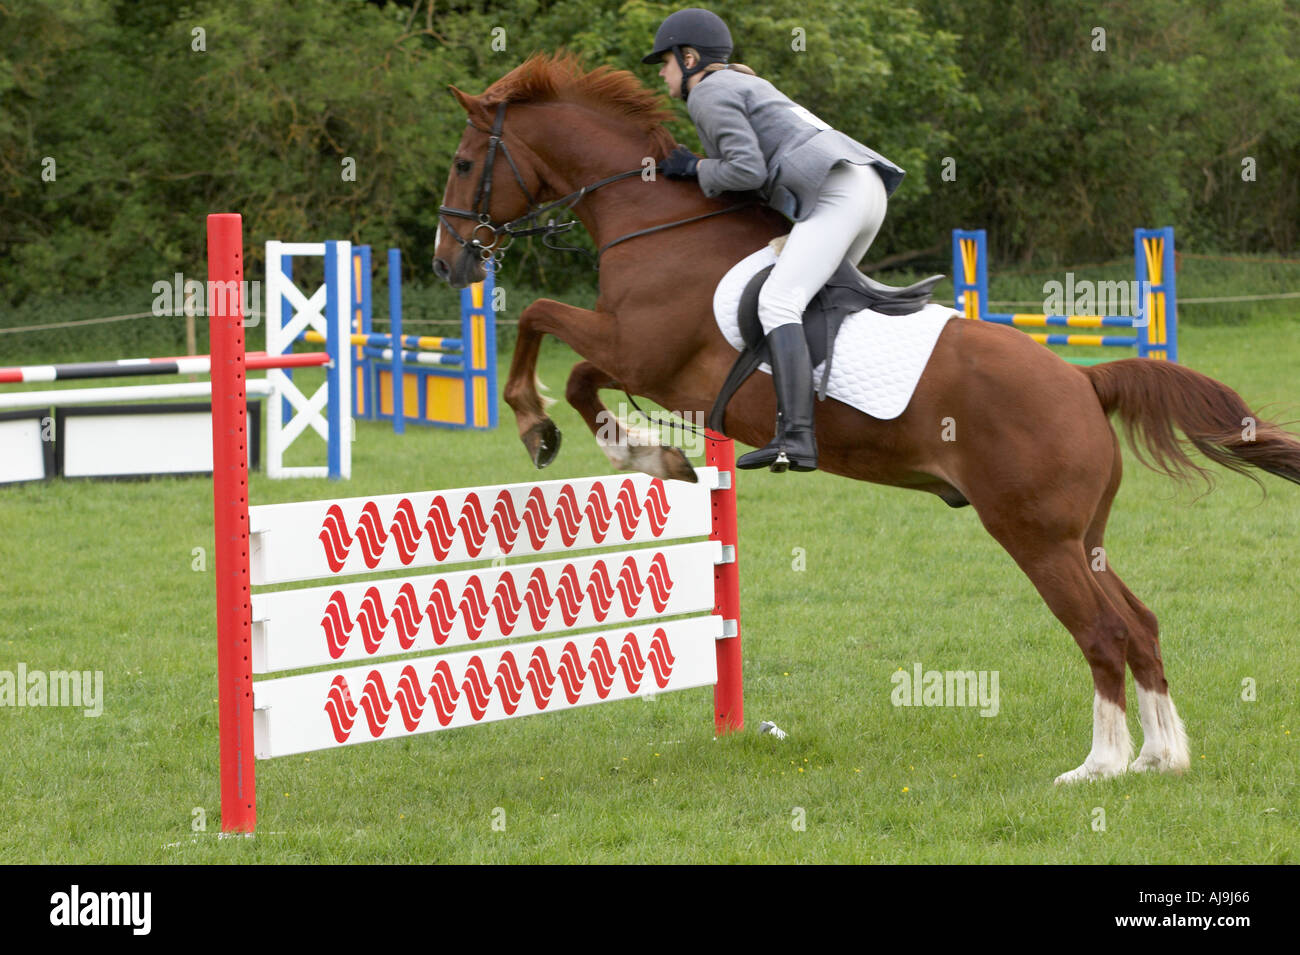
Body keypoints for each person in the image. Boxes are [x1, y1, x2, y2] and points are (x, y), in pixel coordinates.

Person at [643, 8, 905, 472]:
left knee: (778, 302)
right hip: (862, 188)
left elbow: (747, 170)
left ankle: (797, 438)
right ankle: (854, 408)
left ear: (689, 58)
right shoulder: (743, 82)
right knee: (814, 305)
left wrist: (695, 168)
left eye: (664, 62)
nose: (662, 74)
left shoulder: (707, 92)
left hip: (835, 194)